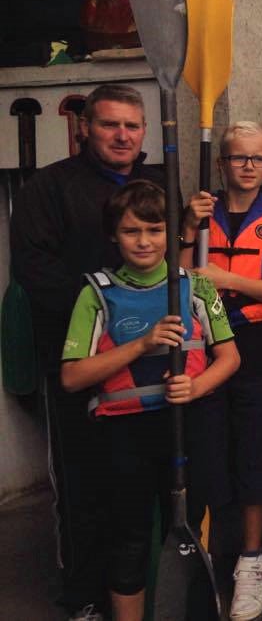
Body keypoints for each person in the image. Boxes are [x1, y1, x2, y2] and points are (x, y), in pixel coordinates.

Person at [10, 83, 165, 620]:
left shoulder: (158, 185)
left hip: (155, 367)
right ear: (85, 129)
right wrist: (105, 311)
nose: (122, 135)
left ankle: (150, 591)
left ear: (144, 130)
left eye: (132, 125)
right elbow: (33, 269)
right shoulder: (49, 188)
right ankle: (83, 596)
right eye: (109, 124)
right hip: (81, 361)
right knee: (83, 485)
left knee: (149, 490)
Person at [59, 181, 239, 621]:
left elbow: (230, 357)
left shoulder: (196, 287)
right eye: (131, 231)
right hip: (126, 436)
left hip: (187, 426)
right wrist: (142, 344)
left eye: (155, 230)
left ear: (171, 233)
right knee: (130, 537)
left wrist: (197, 387)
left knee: (189, 532)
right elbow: (71, 377)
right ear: (114, 237)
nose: (144, 241)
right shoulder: (95, 294)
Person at [181, 121, 262, 621]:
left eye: (258, 159)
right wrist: (188, 229)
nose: (248, 167)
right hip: (204, 344)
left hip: (254, 344)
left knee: (254, 452)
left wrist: (224, 277)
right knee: (205, 448)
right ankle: (205, 554)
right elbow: (179, 275)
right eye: (238, 158)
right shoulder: (199, 214)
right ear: (223, 163)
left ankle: (251, 562)